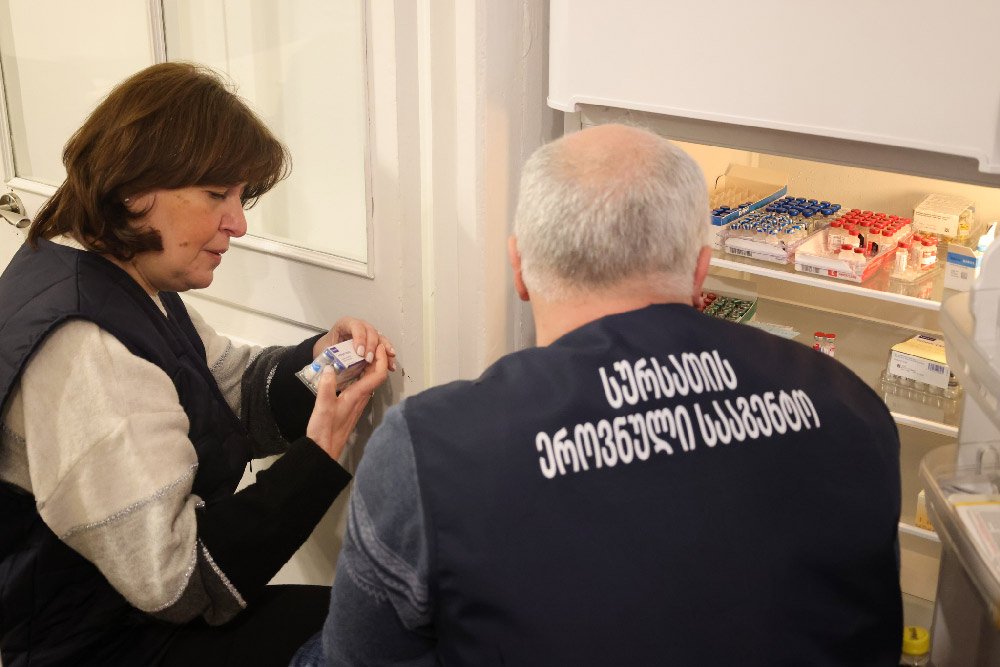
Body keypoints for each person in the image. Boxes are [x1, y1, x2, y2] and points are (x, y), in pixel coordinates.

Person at [295, 124, 903, 666]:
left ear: (519, 268)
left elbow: (357, 657)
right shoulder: (851, 406)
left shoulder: (430, 447)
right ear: (700, 271)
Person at [0, 62, 396, 666]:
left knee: (374, 620)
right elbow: (180, 580)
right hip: (109, 647)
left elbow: (226, 388)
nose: (238, 222)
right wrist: (318, 455)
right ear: (135, 190)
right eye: (217, 196)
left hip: (135, 621)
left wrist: (319, 364)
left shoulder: (105, 274)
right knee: (378, 634)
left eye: (239, 197)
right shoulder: (86, 346)